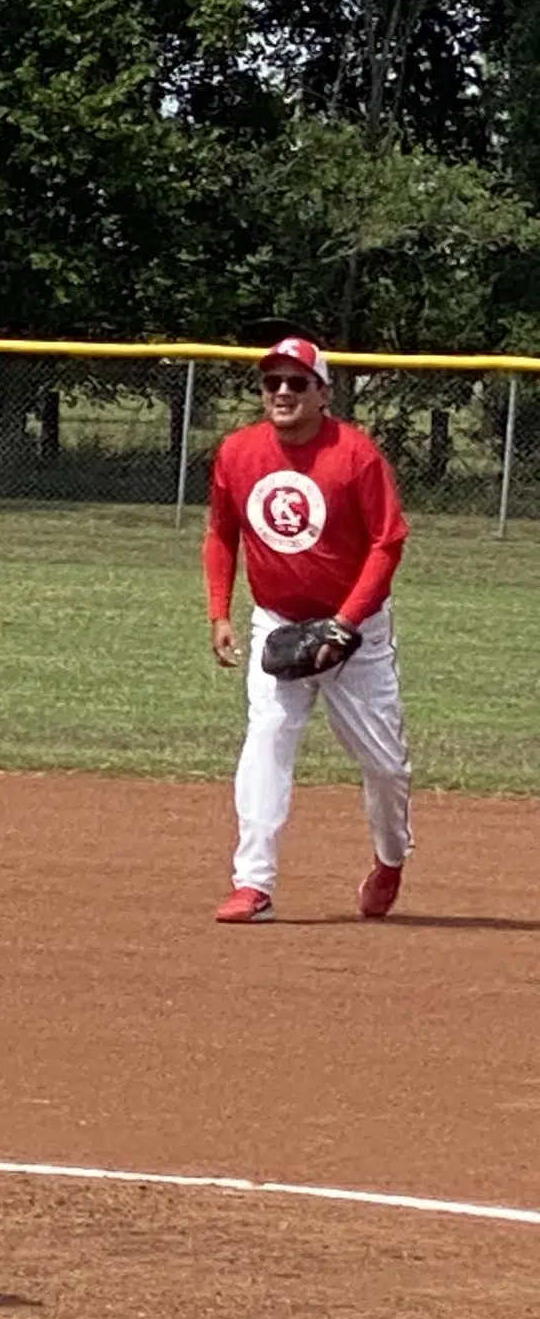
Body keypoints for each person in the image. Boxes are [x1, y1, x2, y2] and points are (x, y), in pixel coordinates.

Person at [204, 336, 412, 924]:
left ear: (324, 392)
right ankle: (253, 884)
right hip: (279, 625)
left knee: (384, 767)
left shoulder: (356, 455)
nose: (283, 392)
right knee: (266, 736)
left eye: (298, 382)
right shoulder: (238, 453)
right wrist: (219, 612)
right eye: (272, 382)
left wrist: (346, 625)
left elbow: (387, 542)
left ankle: (390, 859)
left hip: (357, 632)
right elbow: (222, 534)